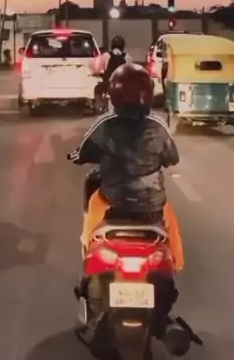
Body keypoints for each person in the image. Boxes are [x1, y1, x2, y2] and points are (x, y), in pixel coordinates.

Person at [69, 62, 184, 270]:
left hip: (114, 202)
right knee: (170, 221)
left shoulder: (106, 124)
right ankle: (176, 263)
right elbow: (172, 158)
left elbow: (83, 152)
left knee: (93, 206)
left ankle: (88, 250)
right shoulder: (158, 126)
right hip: (152, 206)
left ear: (113, 93)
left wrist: (77, 156)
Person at [91, 35, 133, 105]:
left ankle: (99, 106)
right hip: (123, 86)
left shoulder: (106, 55)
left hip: (108, 85)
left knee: (97, 89)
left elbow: (97, 69)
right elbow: (130, 71)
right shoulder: (128, 57)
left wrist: (97, 73)